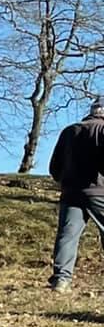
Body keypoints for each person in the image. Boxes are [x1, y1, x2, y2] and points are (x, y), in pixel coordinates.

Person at [49, 95, 104, 293]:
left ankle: (61, 280)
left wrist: (65, 181)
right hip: (99, 191)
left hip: (71, 192)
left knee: (67, 235)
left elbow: (54, 167)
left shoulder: (69, 131)